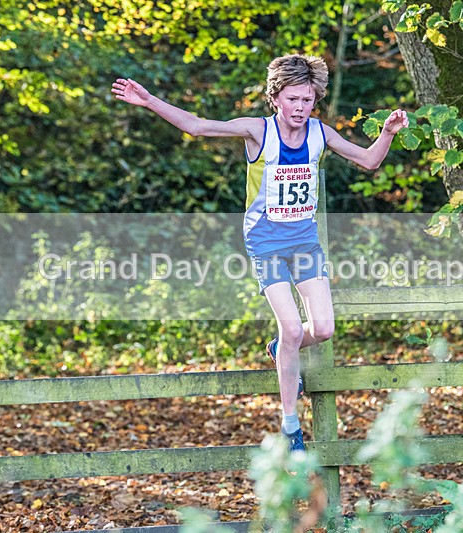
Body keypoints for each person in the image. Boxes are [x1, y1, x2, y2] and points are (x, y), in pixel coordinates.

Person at [112, 54, 408, 452]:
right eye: (292, 100)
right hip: (266, 241)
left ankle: (279, 350)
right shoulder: (257, 131)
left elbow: (369, 160)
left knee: (322, 329)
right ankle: (291, 427)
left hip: (304, 241)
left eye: (307, 100)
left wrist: (387, 132)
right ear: (276, 98)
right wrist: (150, 101)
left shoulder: (321, 134)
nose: (300, 108)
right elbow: (198, 127)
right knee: (290, 329)